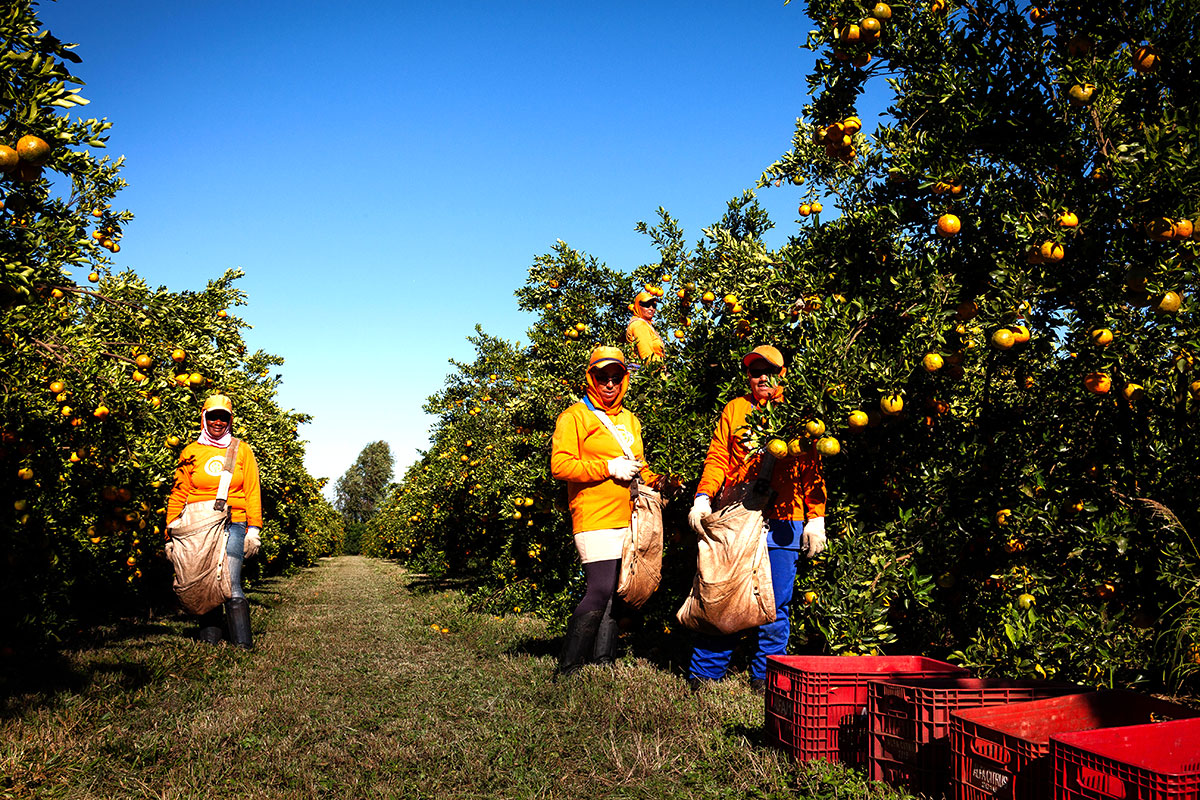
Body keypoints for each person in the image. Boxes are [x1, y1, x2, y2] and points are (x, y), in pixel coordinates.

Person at [685, 345, 827, 691]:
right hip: (737, 517)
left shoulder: (799, 414)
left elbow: (811, 468)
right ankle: (705, 675)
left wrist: (816, 517)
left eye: (770, 370)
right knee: (722, 597)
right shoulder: (736, 409)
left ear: (784, 374)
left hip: (784, 519)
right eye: (755, 371)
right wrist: (703, 497)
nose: (762, 377)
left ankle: (766, 679)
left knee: (774, 605)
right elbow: (718, 456)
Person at [550, 346, 660, 676]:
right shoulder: (574, 417)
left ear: (624, 380)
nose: (609, 384)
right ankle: (568, 668)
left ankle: (603, 662)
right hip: (593, 514)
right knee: (599, 589)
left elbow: (639, 466)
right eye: (602, 377)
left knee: (617, 591)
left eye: (615, 378)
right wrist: (608, 468)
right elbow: (560, 465)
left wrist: (663, 481)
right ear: (591, 378)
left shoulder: (630, 420)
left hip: (628, 515)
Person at [166, 394, 263, 649]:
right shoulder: (191, 451)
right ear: (204, 418)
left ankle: (242, 645)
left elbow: (252, 490)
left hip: (234, 521)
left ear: (230, 420)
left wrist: (254, 530)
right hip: (199, 524)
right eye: (213, 416)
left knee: (229, 580)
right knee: (203, 578)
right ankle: (210, 641)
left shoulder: (241, 449)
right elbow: (179, 492)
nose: (218, 422)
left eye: (223, 417)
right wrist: (170, 534)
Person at [626, 291, 664, 365]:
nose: (651, 308)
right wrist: (658, 373)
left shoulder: (645, 324)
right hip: (647, 372)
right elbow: (646, 356)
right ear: (638, 306)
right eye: (646, 305)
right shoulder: (639, 325)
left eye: (654, 306)